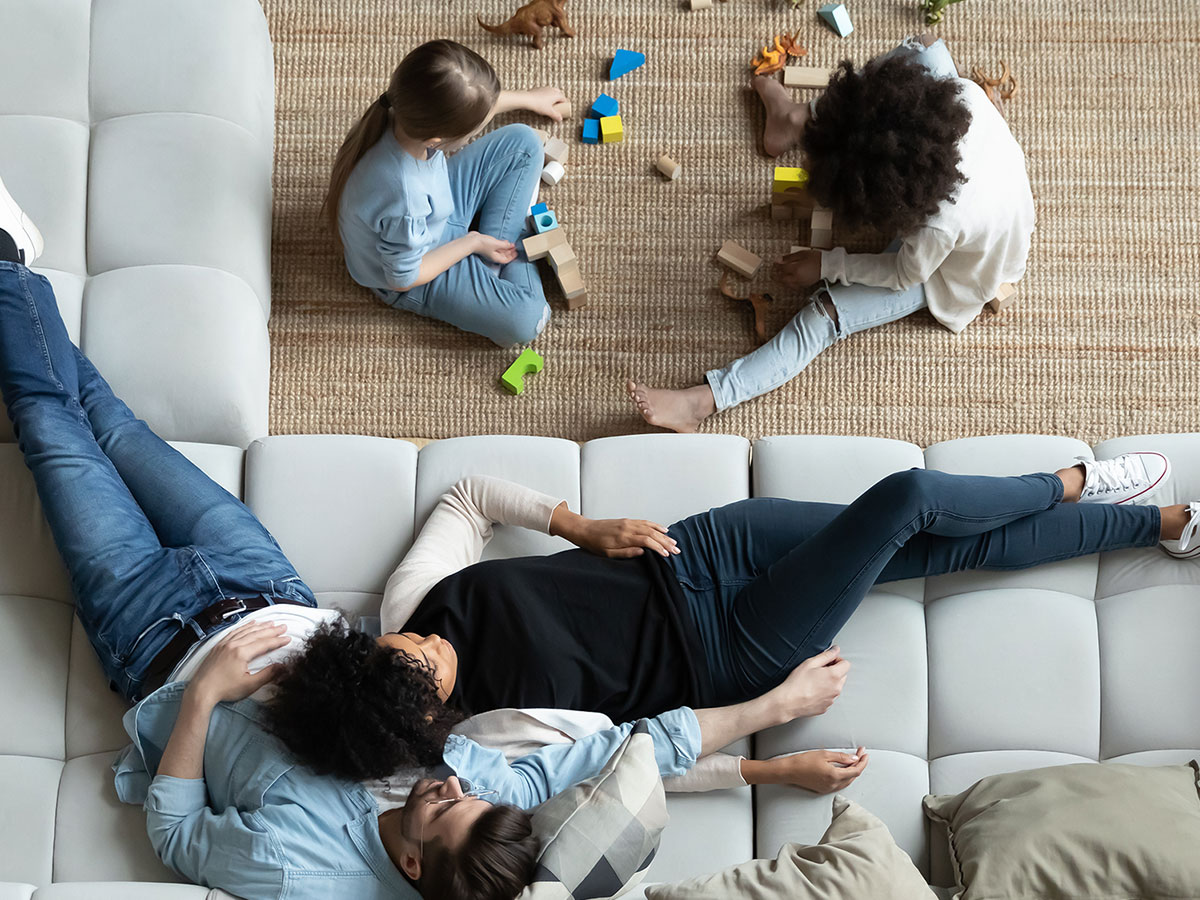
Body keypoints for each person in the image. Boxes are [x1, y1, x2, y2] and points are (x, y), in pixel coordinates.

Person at [0, 183, 864, 900]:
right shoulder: (485, 795)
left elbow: (178, 836)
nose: (451, 783)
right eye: (463, 794)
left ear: (412, 866)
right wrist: (770, 717)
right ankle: (18, 285)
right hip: (261, 582)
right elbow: (640, 749)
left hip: (154, 639)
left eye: (444, 810)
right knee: (112, 424)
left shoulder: (303, 870)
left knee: (52, 431)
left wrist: (201, 699)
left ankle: (9, 269)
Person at [271, 446, 1195, 783]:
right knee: (913, 498)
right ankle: (1077, 480)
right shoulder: (491, 741)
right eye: (419, 665)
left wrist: (582, 527)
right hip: (738, 646)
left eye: (395, 642)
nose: (420, 641)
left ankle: (1156, 523)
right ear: (424, 713)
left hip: (701, 551)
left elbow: (468, 497)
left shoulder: (416, 603)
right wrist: (770, 740)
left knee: (936, 544)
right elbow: (641, 761)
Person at [626, 34, 1036, 432]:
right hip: (972, 188)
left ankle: (701, 402)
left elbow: (902, 274)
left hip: (951, 270)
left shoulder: (938, 226)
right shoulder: (960, 94)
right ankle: (791, 119)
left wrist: (828, 264)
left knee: (823, 316)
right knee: (927, 48)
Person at [324, 38, 569, 347]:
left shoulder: (400, 110)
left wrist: (526, 99)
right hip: (417, 268)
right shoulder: (405, 199)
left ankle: (491, 263)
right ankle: (508, 251)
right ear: (436, 140)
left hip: (436, 212)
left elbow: (470, 102)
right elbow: (403, 278)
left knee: (524, 143)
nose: (475, 137)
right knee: (528, 319)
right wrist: (472, 242)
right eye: (472, 133)